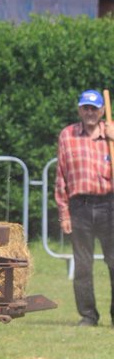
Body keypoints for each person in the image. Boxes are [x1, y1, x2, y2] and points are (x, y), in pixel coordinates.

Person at [54, 89, 114, 326]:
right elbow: (61, 177)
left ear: (101, 110)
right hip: (79, 207)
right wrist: (63, 213)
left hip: (109, 204)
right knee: (82, 264)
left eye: (94, 108)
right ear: (79, 109)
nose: (89, 112)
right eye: (85, 108)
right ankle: (88, 315)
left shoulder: (111, 134)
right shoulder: (67, 135)